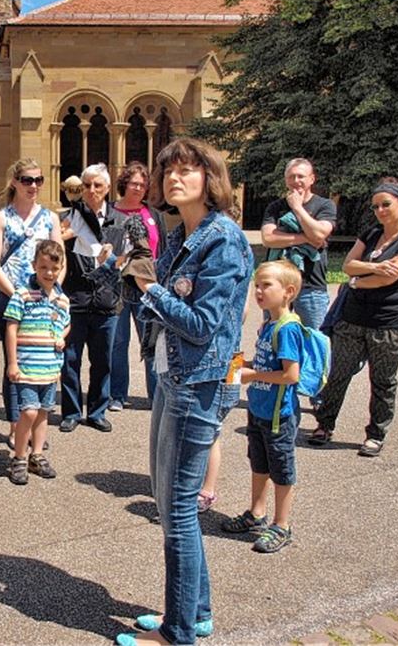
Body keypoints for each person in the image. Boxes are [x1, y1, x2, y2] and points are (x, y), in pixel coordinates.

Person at [118, 138, 252, 646]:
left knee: (176, 509)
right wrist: (136, 278)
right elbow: (161, 304)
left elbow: (200, 324)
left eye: (187, 170)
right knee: (168, 500)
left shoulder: (223, 240)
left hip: (200, 384)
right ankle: (195, 613)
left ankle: (178, 634)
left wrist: (149, 290)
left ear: (209, 178)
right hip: (173, 377)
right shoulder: (178, 237)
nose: (174, 178)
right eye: (168, 171)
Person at [310, 178, 398, 457]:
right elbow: (349, 265)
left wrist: (357, 281)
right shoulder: (371, 233)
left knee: (383, 381)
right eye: (375, 206)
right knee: (338, 374)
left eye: (386, 204)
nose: (380, 210)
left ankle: (375, 434)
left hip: (389, 325)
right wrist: (368, 269)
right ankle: (324, 425)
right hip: (352, 319)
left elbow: (388, 278)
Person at [221, 260, 304, 553]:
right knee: (259, 463)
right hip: (258, 409)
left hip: (279, 415)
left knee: (281, 469)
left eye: (266, 285)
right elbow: (268, 364)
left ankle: (282, 525)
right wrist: (245, 365)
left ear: (288, 291)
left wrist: (251, 374)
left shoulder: (287, 328)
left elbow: (290, 375)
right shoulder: (267, 324)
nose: (258, 290)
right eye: (256, 285)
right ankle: (256, 513)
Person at [0, 159, 64, 449]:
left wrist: (52, 291)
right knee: (15, 363)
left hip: (44, 298)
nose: (33, 186)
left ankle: (38, 428)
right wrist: (18, 293)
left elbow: (60, 259)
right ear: (15, 182)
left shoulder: (50, 218)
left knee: (42, 360)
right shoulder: (1, 218)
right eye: (27, 180)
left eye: (38, 180)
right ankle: (16, 425)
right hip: (13, 295)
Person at [58, 163, 128, 433]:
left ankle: (97, 411)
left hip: (106, 301)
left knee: (103, 361)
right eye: (86, 185)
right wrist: (65, 235)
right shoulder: (67, 218)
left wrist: (112, 259)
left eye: (97, 185)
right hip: (75, 298)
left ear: (108, 188)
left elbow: (125, 261)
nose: (92, 190)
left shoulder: (119, 221)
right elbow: (52, 251)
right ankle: (72, 412)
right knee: (70, 360)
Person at [3, 240, 70, 485]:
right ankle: (19, 457)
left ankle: (37, 454)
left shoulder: (62, 299)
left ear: (61, 267)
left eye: (54, 268)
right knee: (28, 412)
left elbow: (65, 323)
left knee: (43, 413)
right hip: (27, 367)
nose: (49, 273)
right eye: (43, 267)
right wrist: (12, 362)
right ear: (34, 266)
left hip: (50, 368)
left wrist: (61, 337)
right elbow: (11, 327)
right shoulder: (22, 294)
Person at [110, 161, 167, 410]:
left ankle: (156, 396)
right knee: (117, 342)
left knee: (151, 342)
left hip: (148, 286)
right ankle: (116, 396)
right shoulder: (109, 213)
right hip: (118, 285)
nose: (139, 188)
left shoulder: (154, 215)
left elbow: (162, 250)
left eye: (143, 185)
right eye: (134, 183)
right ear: (124, 184)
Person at [260, 158, 336, 330]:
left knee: (313, 341)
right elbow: (268, 239)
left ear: (312, 179)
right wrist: (305, 237)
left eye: (301, 176)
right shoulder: (275, 207)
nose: (296, 181)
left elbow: (319, 234)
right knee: (274, 335)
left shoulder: (325, 205)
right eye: (291, 177)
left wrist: (297, 208)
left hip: (311, 285)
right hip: (277, 284)